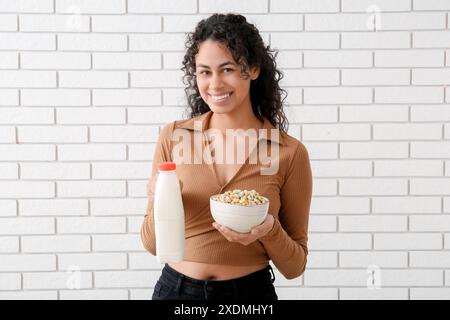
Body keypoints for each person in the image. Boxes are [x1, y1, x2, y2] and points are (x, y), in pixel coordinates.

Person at [141, 13, 313, 301]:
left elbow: (295, 266)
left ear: (254, 69)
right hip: (176, 292)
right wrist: (158, 199)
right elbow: (151, 243)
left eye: (228, 69)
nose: (215, 84)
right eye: (204, 72)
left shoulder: (288, 152)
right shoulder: (174, 137)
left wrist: (268, 230)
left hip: (249, 296)